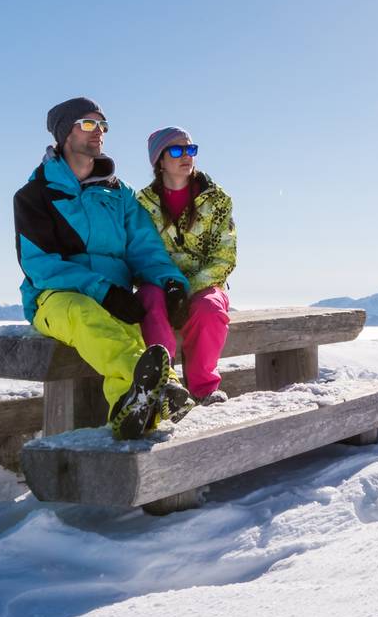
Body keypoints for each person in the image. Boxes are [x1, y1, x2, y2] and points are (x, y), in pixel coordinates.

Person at [14, 97, 194, 439]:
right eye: (88, 124)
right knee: (88, 317)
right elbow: (41, 265)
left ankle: (131, 412)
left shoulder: (118, 194)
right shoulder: (35, 195)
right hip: (56, 298)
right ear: (65, 133)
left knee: (128, 331)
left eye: (103, 126)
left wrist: (169, 281)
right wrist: (102, 290)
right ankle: (160, 390)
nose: (99, 132)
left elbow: (144, 248)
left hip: (116, 296)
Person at [135, 126, 237, 405]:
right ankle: (164, 385)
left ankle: (204, 388)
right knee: (150, 302)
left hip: (204, 283)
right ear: (160, 160)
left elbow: (224, 255)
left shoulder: (217, 200)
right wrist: (169, 286)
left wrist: (187, 290)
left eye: (190, 149)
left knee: (210, 308)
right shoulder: (141, 204)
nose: (186, 156)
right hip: (157, 282)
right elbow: (138, 252)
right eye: (177, 150)